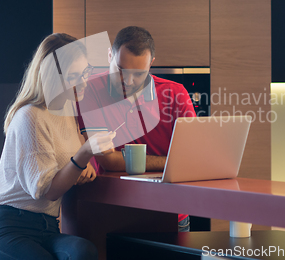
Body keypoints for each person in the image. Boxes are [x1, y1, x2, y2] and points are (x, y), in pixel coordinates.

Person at [0, 33, 116, 260]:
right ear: (52, 77)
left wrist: (84, 166)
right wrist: (83, 156)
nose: (84, 82)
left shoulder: (67, 113)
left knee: (85, 251)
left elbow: (67, 167)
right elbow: (50, 191)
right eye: (74, 76)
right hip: (10, 227)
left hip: (49, 227)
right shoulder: (30, 117)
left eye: (85, 72)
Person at [76, 26, 196, 232]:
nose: (128, 82)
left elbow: (191, 159)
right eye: (121, 70)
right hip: (114, 211)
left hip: (171, 212)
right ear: (109, 56)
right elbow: (108, 160)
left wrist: (178, 163)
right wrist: (170, 163)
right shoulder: (89, 91)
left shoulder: (176, 93)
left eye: (139, 74)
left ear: (151, 64)